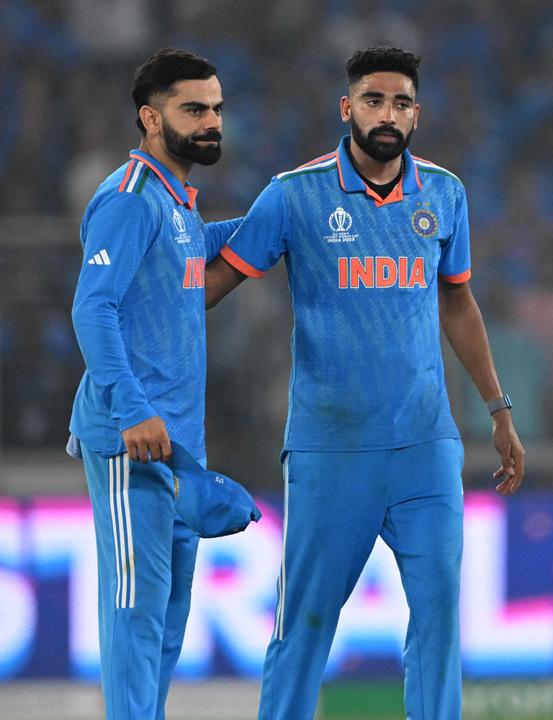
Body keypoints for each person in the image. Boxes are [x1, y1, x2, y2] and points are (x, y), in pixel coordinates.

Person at [203, 46, 525, 719]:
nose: (388, 113)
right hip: (330, 447)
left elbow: (458, 303)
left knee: (439, 614)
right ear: (347, 108)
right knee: (306, 624)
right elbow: (218, 281)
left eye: (402, 102)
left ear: (417, 115)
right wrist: (138, 299)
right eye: (374, 100)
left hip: (424, 445)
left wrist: (498, 409)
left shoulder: (445, 192)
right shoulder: (294, 194)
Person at [68, 48, 240, 718]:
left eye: (216, 109)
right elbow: (92, 305)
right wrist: (133, 408)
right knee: (137, 610)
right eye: (193, 109)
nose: (210, 122)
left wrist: (276, 223)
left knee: (166, 622)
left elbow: (192, 255)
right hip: (130, 439)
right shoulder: (131, 200)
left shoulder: (175, 204)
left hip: (177, 446)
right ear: (149, 118)